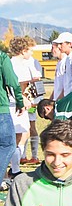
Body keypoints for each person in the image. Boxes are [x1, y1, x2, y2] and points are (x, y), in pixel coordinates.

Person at [9, 36, 44, 168]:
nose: (31, 53)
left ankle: (15, 166)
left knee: (23, 133)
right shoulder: (16, 65)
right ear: (23, 50)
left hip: (21, 103)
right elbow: (18, 86)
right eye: (29, 50)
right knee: (21, 134)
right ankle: (14, 167)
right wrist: (24, 99)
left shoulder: (19, 64)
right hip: (17, 105)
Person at [0, 48, 25, 187]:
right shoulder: (2, 57)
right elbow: (13, 82)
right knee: (7, 145)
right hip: (1, 108)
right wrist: (20, 102)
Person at [50, 32, 72, 100]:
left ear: (70, 44)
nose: (59, 46)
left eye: (61, 44)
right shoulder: (68, 58)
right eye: (58, 44)